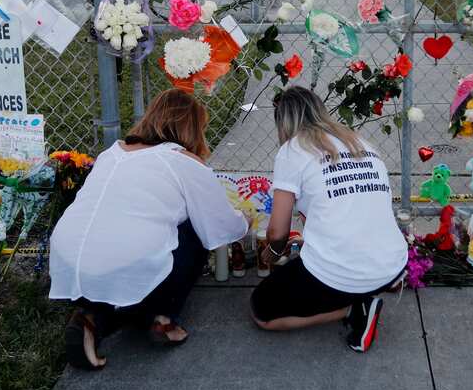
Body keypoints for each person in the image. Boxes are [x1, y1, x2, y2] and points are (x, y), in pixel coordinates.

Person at [49, 89, 247, 370]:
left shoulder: (112, 152)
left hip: (69, 263)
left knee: (124, 257)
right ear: (191, 128)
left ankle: (91, 319)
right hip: (126, 261)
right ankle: (162, 316)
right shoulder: (182, 161)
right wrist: (246, 220)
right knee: (194, 230)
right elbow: (219, 226)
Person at [250, 86, 407, 352]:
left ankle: (353, 309)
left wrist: (272, 253)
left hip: (341, 270)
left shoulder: (292, 150)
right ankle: (364, 290)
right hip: (392, 261)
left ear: (284, 121)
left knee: (262, 310)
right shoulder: (360, 142)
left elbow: (278, 232)